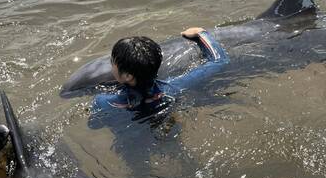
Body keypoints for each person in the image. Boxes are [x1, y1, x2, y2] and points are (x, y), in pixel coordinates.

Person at [89, 28, 228, 124]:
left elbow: (94, 124)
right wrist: (201, 33)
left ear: (127, 76)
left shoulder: (103, 101)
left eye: (112, 62)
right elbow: (219, 61)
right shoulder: (174, 87)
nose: (111, 65)